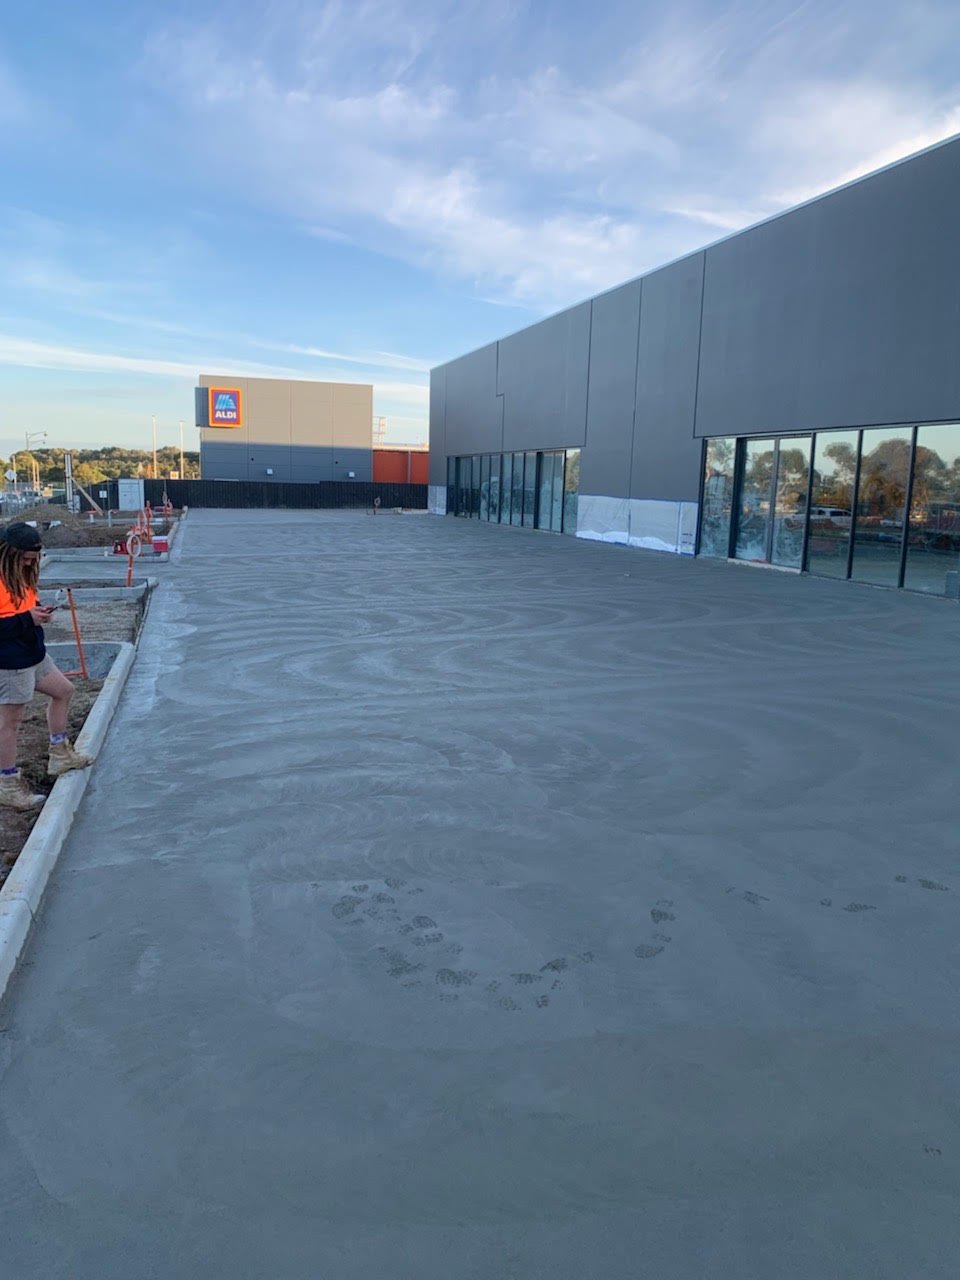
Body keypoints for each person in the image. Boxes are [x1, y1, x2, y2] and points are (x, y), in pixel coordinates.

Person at [0, 522, 92, 810]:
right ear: (9, 553)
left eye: (34, 558)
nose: (31, 563)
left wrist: (39, 614)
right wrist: (29, 619)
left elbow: (24, 607)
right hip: (10, 661)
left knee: (64, 690)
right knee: (11, 722)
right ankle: (7, 783)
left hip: (32, 652)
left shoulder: (22, 574)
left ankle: (60, 752)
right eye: (26, 558)